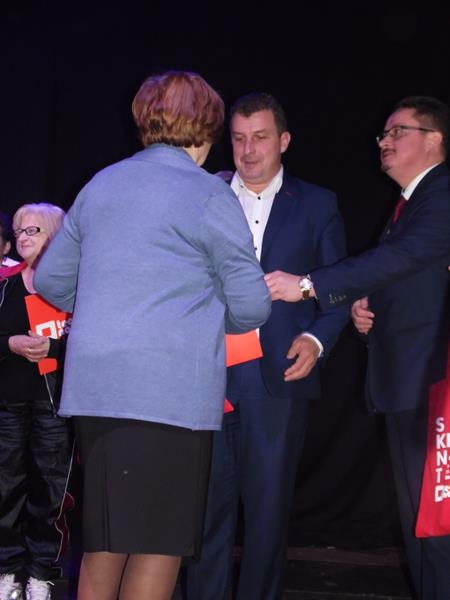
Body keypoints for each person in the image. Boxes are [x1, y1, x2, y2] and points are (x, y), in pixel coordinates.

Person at [34, 71, 271, 600]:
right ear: (207, 127)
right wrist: (206, 316)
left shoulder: (102, 184)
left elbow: (51, 282)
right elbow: (252, 304)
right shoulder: (209, 194)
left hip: (97, 391)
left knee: (104, 544)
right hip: (171, 394)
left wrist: (105, 305)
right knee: (158, 545)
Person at [267, 96, 450, 600]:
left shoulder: (442, 193)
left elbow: (404, 256)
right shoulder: (410, 203)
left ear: (434, 139)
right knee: (422, 528)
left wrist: (308, 285)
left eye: (398, 132)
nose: (384, 142)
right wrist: (369, 314)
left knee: (438, 527)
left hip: (435, 387)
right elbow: (411, 278)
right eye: (383, 134)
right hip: (410, 382)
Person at [182, 92, 349, 600]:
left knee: (268, 516)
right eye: (238, 139)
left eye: (259, 137)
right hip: (206, 374)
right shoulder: (202, 194)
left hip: (278, 374)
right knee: (203, 514)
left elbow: (340, 287)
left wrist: (316, 339)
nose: (248, 150)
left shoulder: (317, 203)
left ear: (284, 141)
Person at [0, 203, 73, 600]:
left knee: (49, 490)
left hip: (54, 403)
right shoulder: (4, 284)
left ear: (56, 236)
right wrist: (10, 343)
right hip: (8, 402)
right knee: (5, 487)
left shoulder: (75, 286)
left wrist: (54, 348)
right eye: (20, 231)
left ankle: (41, 573)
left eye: (34, 230)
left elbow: (92, 341)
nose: (23, 238)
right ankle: (7, 568)